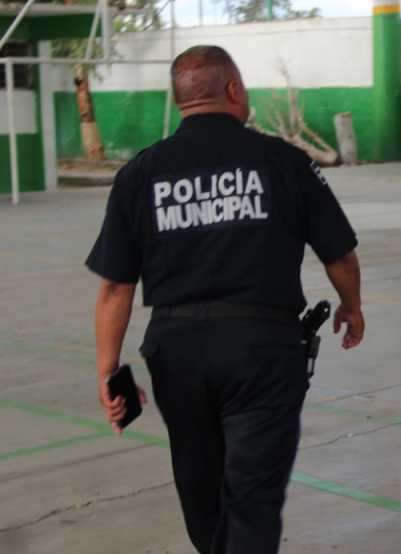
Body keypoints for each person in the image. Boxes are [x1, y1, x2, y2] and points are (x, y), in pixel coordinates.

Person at [87, 45, 365, 554]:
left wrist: (110, 371)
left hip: (177, 354)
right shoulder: (284, 161)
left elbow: (115, 287)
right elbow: (340, 255)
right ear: (234, 91)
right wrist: (351, 305)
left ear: (180, 100)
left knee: (202, 491)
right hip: (262, 350)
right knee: (253, 497)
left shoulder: (140, 174)